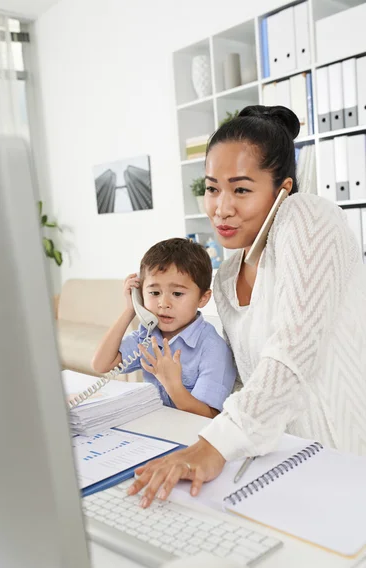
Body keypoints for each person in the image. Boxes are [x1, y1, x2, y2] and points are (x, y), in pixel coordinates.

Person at [128, 105, 366, 508]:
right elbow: (247, 378)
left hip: (343, 457)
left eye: (241, 189)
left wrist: (215, 446)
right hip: (276, 459)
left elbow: (291, 354)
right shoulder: (225, 275)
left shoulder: (308, 217)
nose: (221, 208)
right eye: (211, 188)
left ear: (282, 190)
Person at [91, 237, 236, 418]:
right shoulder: (148, 336)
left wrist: (173, 385)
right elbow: (101, 364)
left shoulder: (213, 349)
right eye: (154, 293)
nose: (163, 303)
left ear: (203, 298)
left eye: (177, 293)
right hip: (156, 429)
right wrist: (130, 310)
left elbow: (208, 416)